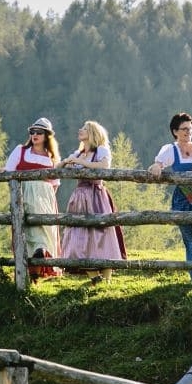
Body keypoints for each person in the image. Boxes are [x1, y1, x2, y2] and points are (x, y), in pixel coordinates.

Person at [148, 112, 192, 283]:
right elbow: (158, 164)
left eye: (190, 129)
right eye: (184, 129)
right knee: (191, 239)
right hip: (184, 198)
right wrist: (157, 167)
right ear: (175, 131)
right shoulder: (170, 149)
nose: (188, 132)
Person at [57, 120, 126, 285]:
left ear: (93, 133)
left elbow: (103, 166)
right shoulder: (79, 153)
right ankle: (95, 277)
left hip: (96, 194)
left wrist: (80, 162)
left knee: (102, 235)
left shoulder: (100, 151)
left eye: (85, 129)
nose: (80, 130)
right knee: (77, 236)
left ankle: (107, 279)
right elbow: (59, 168)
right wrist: (67, 161)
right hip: (80, 196)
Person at [4, 117, 63, 283]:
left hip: (44, 198)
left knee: (42, 230)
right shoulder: (21, 151)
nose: (35, 135)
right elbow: (10, 172)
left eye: (39, 132)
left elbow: (55, 184)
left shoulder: (52, 158)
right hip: (23, 194)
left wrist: (45, 198)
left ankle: (40, 259)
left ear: (47, 136)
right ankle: (32, 274)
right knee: (26, 232)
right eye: (32, 132)